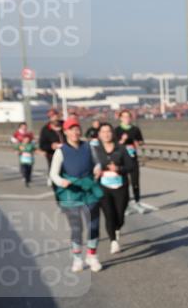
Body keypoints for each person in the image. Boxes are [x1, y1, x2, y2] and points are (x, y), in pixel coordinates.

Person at [49, 117, 104, 273]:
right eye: (71, 129)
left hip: (88, 190)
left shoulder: (88, 147)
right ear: (65, 132)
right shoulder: (60, 151)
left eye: (77, 129)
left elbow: (97, 162)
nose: (75, 132)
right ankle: (77, 258)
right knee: (76, 228)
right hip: (71, 192)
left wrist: (97, 169)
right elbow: (53, 174)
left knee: (93, 225)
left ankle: (92, 256)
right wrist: (61, 182)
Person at [91, 122, 132, 254]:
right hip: (103, 188)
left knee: (119, 216)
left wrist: (119, 168)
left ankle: (117, 228)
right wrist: (96, 172)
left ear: (112, 133)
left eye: (108, 131)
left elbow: (131, 166)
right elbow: (89, 166)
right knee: (109, 215)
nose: (106, 134)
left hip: (120, 187)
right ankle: (113, 241)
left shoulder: (121, 148)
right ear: (99, 135)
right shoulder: (95, 150)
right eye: (103, 132)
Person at [116, 110, 145, 213]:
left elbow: (141, 141)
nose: (126, 119)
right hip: (122, 160)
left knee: (135, 182)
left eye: (128, 117)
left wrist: (138, 143)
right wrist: (122, 141)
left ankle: (137, 202)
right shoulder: (117, 130)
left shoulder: (135, 129)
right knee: (124, 183)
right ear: (120, 118)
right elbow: (114, 145)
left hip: (133, 158)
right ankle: (126, 205)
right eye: (124, 117)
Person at [38, 109, 65, 185]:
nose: (55, 118)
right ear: (49, 118)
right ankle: (53, 182)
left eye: (56, 116)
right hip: (52, 155)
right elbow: (42, 145)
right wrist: (51, 146)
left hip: (67, 152)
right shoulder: (45, 130)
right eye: (52, 117)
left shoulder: (65, 125)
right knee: (55, 171)